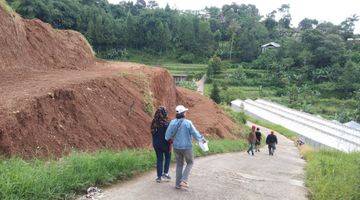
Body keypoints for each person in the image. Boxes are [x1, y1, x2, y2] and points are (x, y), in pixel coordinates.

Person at [165, 105, 205, 189]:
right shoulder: (188, 123)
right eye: (185, 112)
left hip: (176, 147)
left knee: (179, 164)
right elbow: (195, 133)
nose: (186, 113)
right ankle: (184, 180)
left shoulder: (172, 122)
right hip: (187, 147)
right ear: (183, 113)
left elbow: (167, 136)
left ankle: (177, 184)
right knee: (190, 162)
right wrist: (202, 139)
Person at [151, 106, 171, 183]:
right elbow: (169, 135)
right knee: (167, 158)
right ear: (164, 113)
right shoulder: (166, 123)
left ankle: (159, 177)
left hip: (156, 144)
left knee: (159, 159)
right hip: (165, 144)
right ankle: (165, 174)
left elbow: (152, 133)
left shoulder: (153, 123)